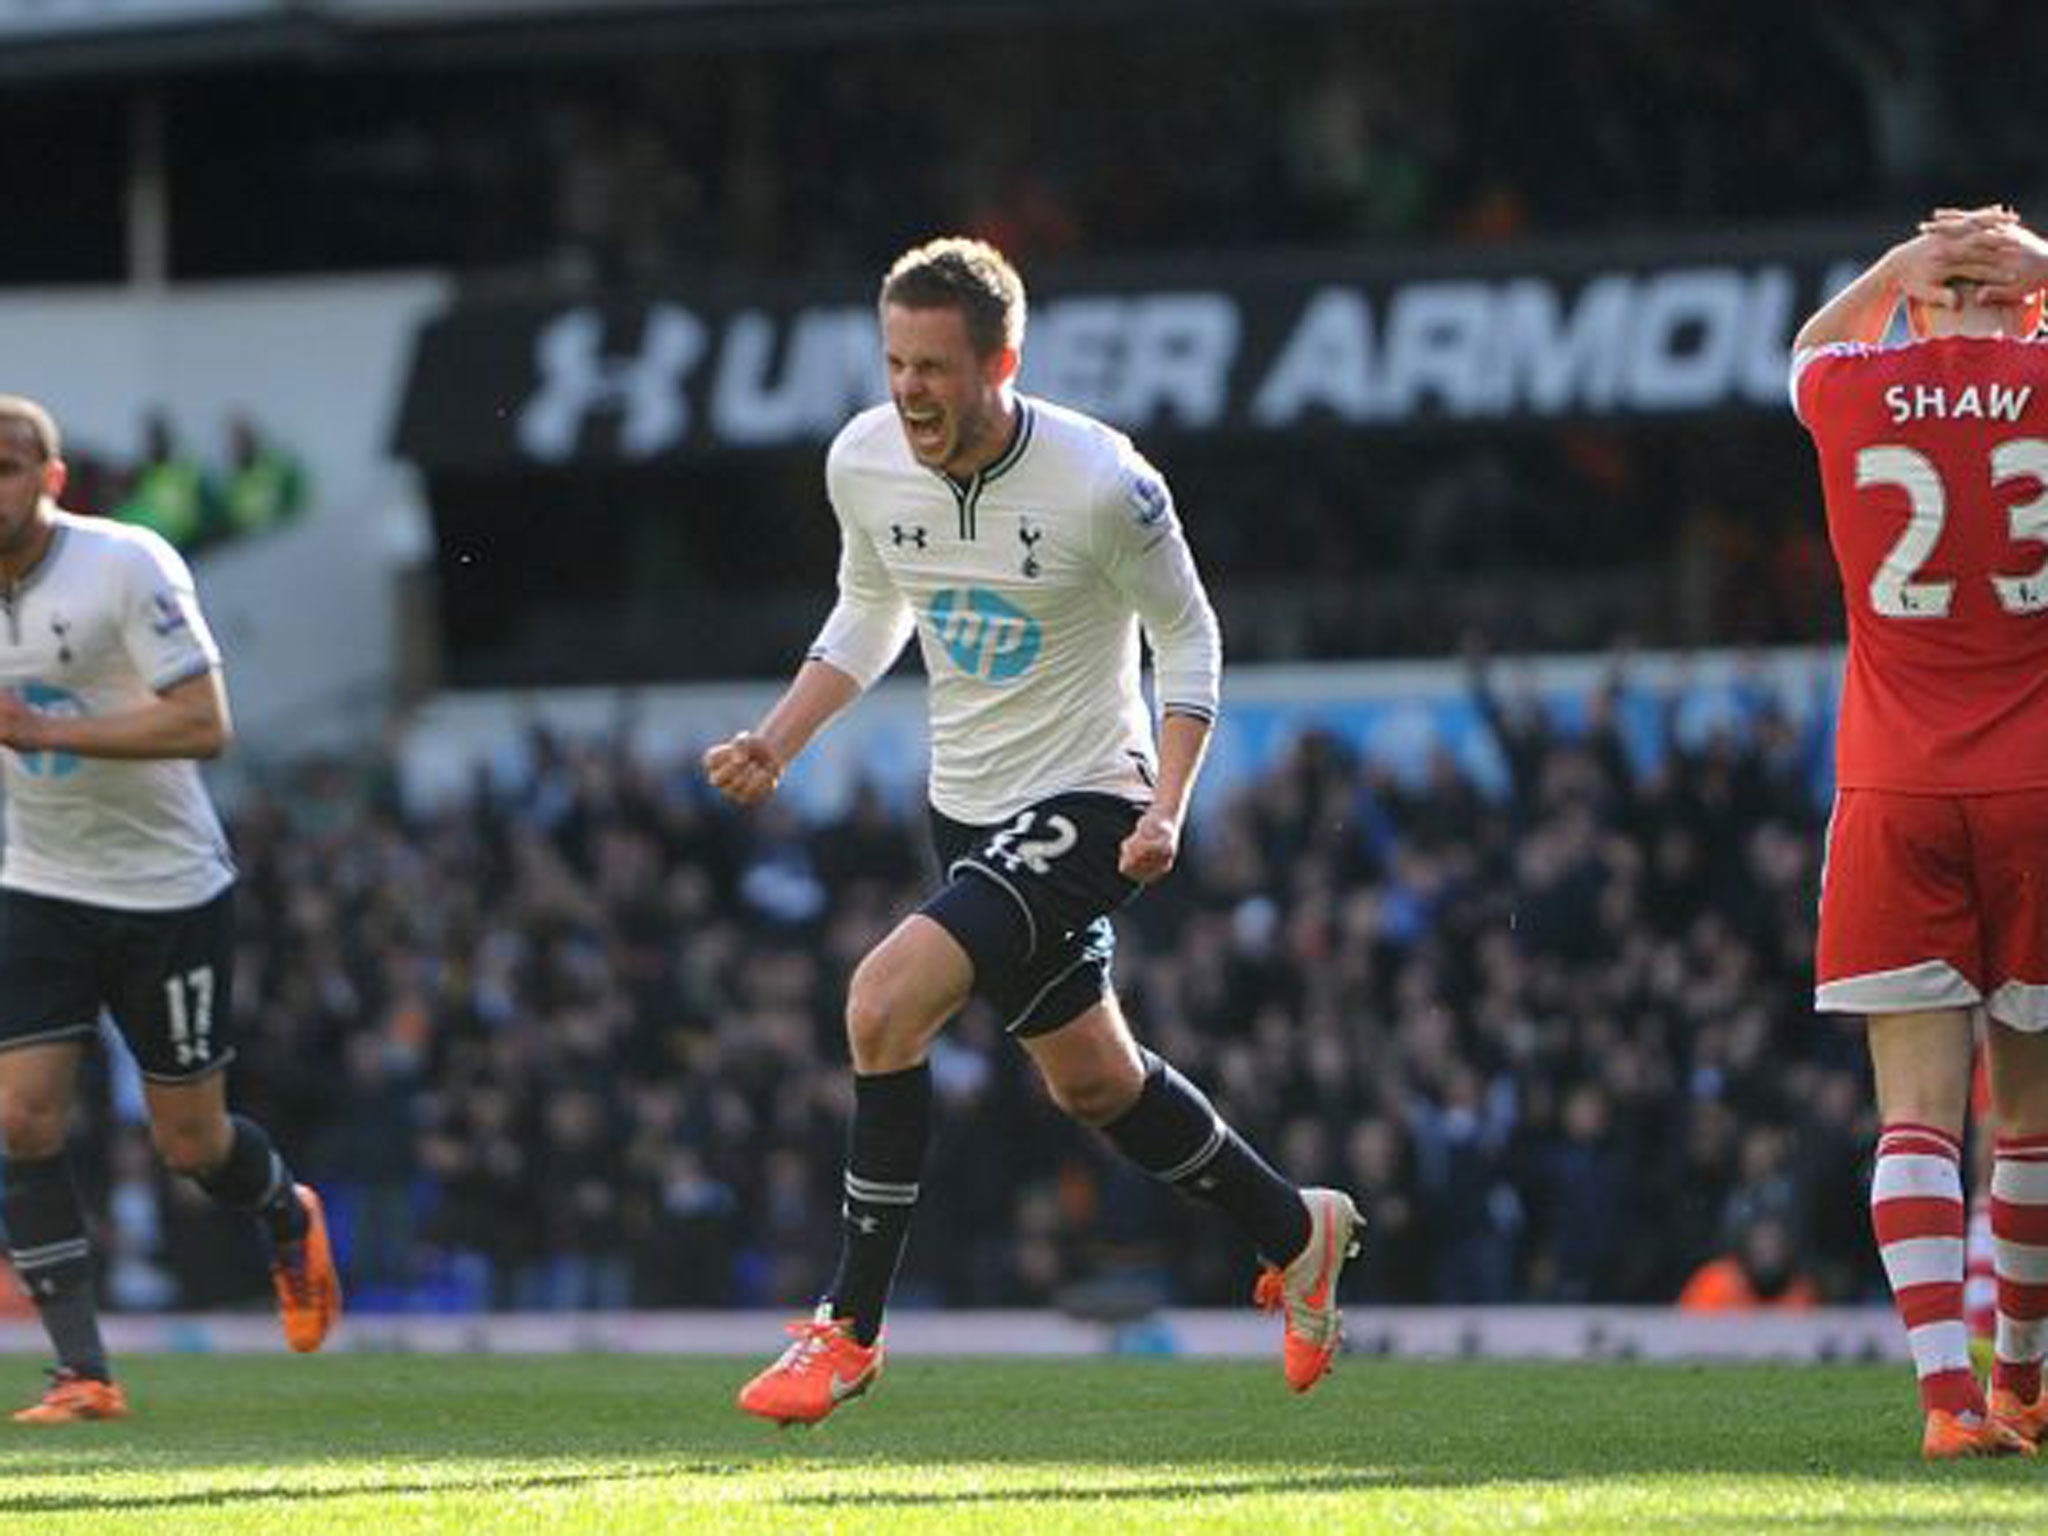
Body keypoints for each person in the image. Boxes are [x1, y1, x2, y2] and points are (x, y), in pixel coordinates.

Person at [704, 237, 1361, 1426]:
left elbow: (1190, 637)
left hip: (1088, 800)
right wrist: (779, 739)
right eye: (894, 362)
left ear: (1001, 361)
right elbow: (869, 607)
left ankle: (845, 1331)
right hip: (961, 811)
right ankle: (1293, 1228)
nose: (908, 390)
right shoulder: (861, 459)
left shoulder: (1103, 482)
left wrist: (1166, 802)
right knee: (1094, 1083)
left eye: (934, 368)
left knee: (880, 1002)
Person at [0, 396, 340, 1423]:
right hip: (39, 881)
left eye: (10, 466)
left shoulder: (125, 564)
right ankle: (83, 1372)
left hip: (167, 891)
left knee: (190, 1147)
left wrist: (33, 725)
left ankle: (285, 1209)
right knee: (19, 1117)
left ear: (52, 481)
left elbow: (204, 721)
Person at [1791, 219, 2048, 1459]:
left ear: (1915, 302)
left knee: (1913, 1113)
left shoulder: (1853, 386)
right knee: (2032, 1116)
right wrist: (2032, 262)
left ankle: (1945, 1404)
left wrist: (1898, 270)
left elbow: (1803, 347)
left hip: (1892, 786)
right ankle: (2020, 1382)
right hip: (2037, 784)